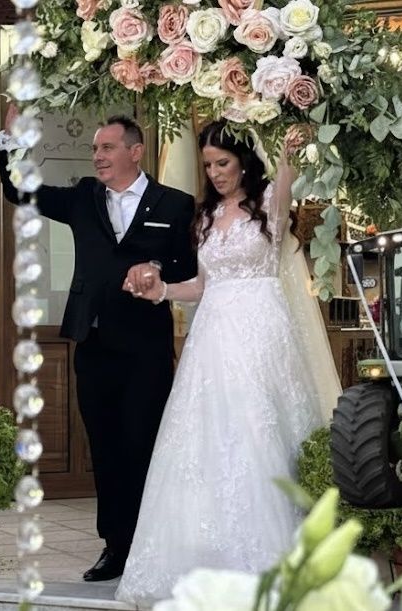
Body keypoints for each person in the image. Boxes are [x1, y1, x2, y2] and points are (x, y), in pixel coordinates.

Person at [114, 122, 340, 604]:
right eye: (209, 165)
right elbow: (202, 285)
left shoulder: (268, 205)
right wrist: (162, 291)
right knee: (206, 440)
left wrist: (288, 145)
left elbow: (287, 173)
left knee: (259, 430)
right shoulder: (205, 216)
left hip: (260, 333)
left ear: (244, 162)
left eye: (224, 163)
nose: (216, 173)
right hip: (213, 336)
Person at [0, 111, 198, 582]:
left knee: (142, 446)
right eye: (94, 149)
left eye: (107, 148)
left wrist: (155, 269)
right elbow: (20, 189)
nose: (98, 156)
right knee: (105, 449)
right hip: (93, 344)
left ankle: (149, 544)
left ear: (135, 151)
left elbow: (188, 268)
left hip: (146, 349)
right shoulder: (84, 197)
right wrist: (10, 140)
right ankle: (116, 546)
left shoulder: (176, 204)